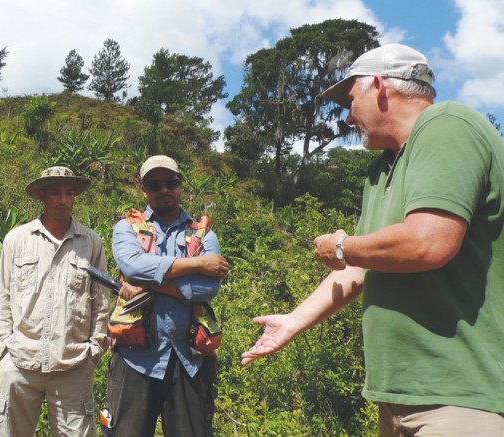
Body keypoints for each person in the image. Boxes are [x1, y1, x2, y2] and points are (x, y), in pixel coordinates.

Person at [241, 44, 504, 435]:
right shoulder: (380, 171)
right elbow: (364, 265)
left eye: (350, 100)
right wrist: (293, 321)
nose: (347, 118)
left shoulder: (448, 123)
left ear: (379, 85)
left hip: (460, 397)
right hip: (397, 399)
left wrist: (343, 246)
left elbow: (428, 242)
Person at [107, 155, 229, 436]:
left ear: (180, 184)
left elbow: (209, 288)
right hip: (136, 358)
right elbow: (132, 266)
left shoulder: (204, 234)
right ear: (144, 189)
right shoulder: (127, 228)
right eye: (155, 184)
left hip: (190, 358)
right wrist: (197, 264)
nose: (164, 189)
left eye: (171, 182)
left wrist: (148, 283)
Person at [0, 166, 110, 436]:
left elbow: (101, 302)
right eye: (55, 192)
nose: (62, 199)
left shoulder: (91, 243)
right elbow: (3, 297)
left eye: (68, 193)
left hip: (73, 365)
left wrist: (94, 352)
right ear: (42, 196)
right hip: (20, 362)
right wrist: (4, 349)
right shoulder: (17, 240)